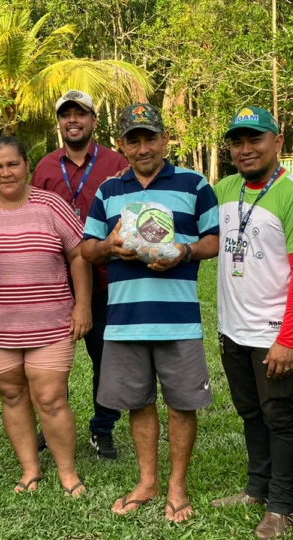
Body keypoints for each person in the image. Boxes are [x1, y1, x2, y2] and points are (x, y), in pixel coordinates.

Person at [80, 103, 220, 523]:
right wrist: (109, 247)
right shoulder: (108, 190)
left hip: (178, 318)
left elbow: (213, 240)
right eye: (133, 139)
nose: (143, 147)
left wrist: (185, 250)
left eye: (150, 137)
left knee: (181, 404)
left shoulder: (195, 185)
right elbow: (87, 248)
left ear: (164, 139)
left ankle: (176, 486)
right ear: (121, 144)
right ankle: (147, 481)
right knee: (138, 403)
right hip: (124, 318)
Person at [0, 136, 92, 498]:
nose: (5, 172)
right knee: (11, 395)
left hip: (51, 323)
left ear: (27, 165)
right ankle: (30, 470)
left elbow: (78, 255)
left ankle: (67, 472)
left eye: (12, 164)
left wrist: (82, 305)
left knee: (51, 398)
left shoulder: (52, 205)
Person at [211, 107, 293, 539]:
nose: (245, 149)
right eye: (237, 142)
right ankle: (256, 489)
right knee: (249, 412)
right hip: (232, 328)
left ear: (277, 142)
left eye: (255, 139)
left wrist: (288, 340)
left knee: (279, 415)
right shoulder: (225, 189)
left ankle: (280, 505)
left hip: (275, 334)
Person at [30, 90, 130, 460]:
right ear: (59, 122)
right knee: (49, 362)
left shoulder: (117, 162)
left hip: (107, 280)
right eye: (66, 115)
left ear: (93, 120)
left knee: (107, 359)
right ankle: (51, 423)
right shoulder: (43, 167)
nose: (73, 121)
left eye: (81, 114)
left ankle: (102, 428)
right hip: (54, 284)